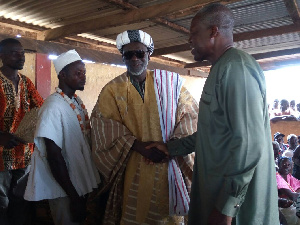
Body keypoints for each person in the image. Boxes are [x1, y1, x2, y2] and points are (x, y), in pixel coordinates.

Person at [147, 3, 279, 225]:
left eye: (194, 33)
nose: (189, 40)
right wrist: (172, 148)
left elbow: (248, 143)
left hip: (238, 211)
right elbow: (214, 133)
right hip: (218, 196)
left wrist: (227, 206)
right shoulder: (221, 68)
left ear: (213, 31)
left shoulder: (236, 68)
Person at [90, 30, 198, 224]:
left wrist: (170, 148)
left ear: (149, 54)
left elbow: (190, 116)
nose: (134, 59)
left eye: (140, 53)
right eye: (128, 54)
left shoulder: (171, 84)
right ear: (122, 57)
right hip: (134, 163)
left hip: (169, 163)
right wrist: (140, 147)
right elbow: (103, 125)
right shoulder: (112, 90)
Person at [24, 50, 100, 225]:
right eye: (78, 73)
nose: (83, 77)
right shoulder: (53, 107)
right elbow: (54, 156)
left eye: (84, 73)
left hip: (75, 184)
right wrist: (73, 196)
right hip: (64, 188)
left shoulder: (75, 102)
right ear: (63, 75)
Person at [0, 38, 44, 225]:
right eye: (14, 52)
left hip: (24, 153)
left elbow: (41, 107)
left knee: (20, 200)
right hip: (1, 155)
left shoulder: (26, 83)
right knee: (1, 203)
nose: (21, 56)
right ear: (1, 56)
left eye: (22, 53)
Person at [276, 157, 300, 225]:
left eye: (288, 165)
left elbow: (298, 184)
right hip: (285, 209)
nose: (286, 167)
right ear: (278, 165)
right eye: (284, 165)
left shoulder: (288, 176)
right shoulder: (277, 177)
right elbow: (292, 196)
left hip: (293, 206)